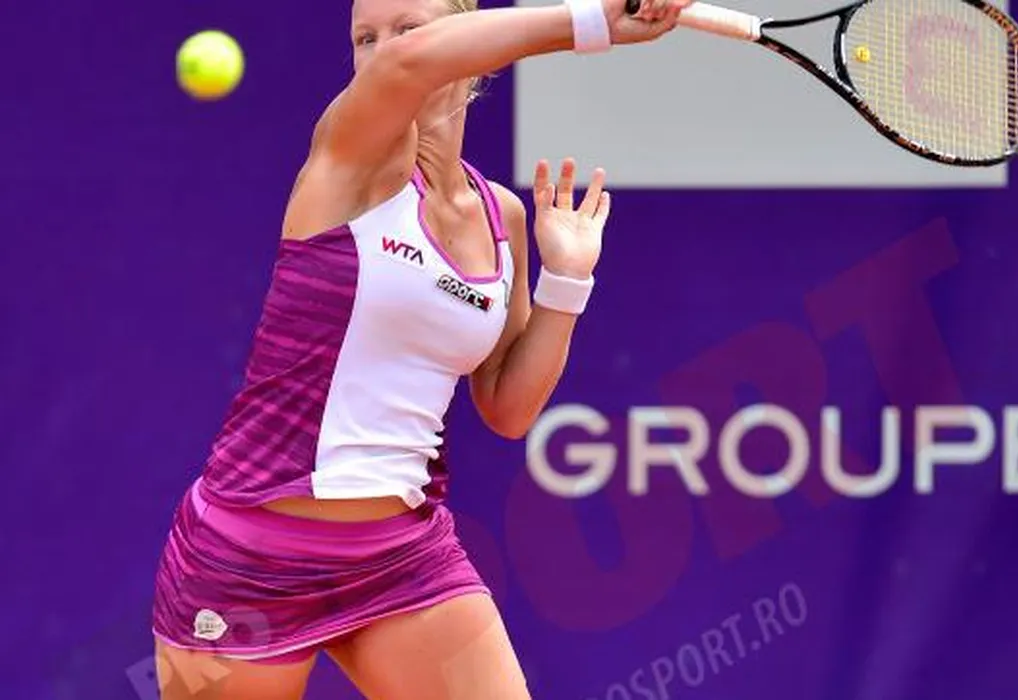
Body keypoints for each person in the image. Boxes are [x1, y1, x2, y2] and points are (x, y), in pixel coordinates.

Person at [151, 0, 686, 697]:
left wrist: (566, 281)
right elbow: (406, 69)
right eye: (364, 38)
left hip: (401, 558)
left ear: (472, 54)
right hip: (251, 555)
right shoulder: (353, 157)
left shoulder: (502, 216)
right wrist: (591, 22)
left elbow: (508, 409)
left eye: (409, 27)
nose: (383, 51)